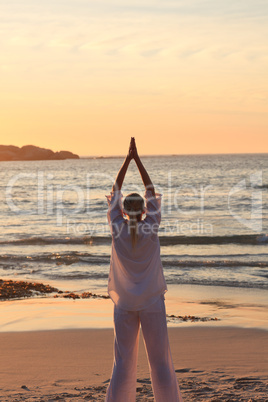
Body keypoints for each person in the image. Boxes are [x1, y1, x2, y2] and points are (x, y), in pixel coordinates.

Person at [105, 138, 183, 402]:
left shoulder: (117, 226)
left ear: (125, 211)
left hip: (125, 303)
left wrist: (127, 161)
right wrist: (138, 160)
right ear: (144, 210)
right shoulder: (151, 226)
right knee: (160, 362)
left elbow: (115, 191)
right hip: (151, 301)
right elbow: (151, 190)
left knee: (123, 365)